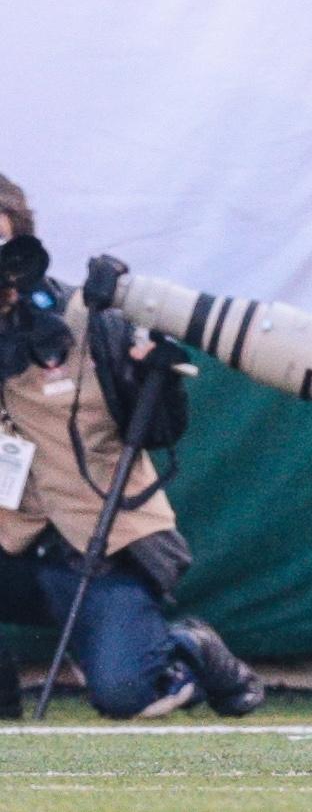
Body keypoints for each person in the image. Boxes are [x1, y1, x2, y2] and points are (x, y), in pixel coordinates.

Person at [0, 181, 263, 723]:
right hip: (14, 542)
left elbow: (163, 430)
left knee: (127, 694)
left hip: (102, 545)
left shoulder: (86, 320)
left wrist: (152, 377)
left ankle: (191, 649)